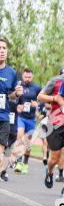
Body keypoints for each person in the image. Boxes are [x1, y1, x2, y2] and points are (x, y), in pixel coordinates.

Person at [37, 70, 64, 189]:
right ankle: (49, 172)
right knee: (55, 157)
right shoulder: (56, 81)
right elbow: (40, 96)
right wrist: (55, 98)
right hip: (55, 123)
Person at [0, 37, 22, 182]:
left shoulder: (11, 73)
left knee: (1, 151)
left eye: (4, 48)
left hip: (3, 117)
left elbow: (12, 96)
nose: (1, 51)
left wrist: (17, 93)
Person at [11, 69, 42, 174]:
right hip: (21, 117)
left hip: (31, 119)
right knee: (20, 136)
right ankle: (19, 162)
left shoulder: (37, 87)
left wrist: (37, 105)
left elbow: (42, 101)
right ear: (22, 77)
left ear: (32, 77)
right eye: (25, 77)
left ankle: (25, 162)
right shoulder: (19, 87)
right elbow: (13, 100)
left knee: (28, 144)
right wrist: (18, 106)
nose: (27, 79)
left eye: (29, 77)